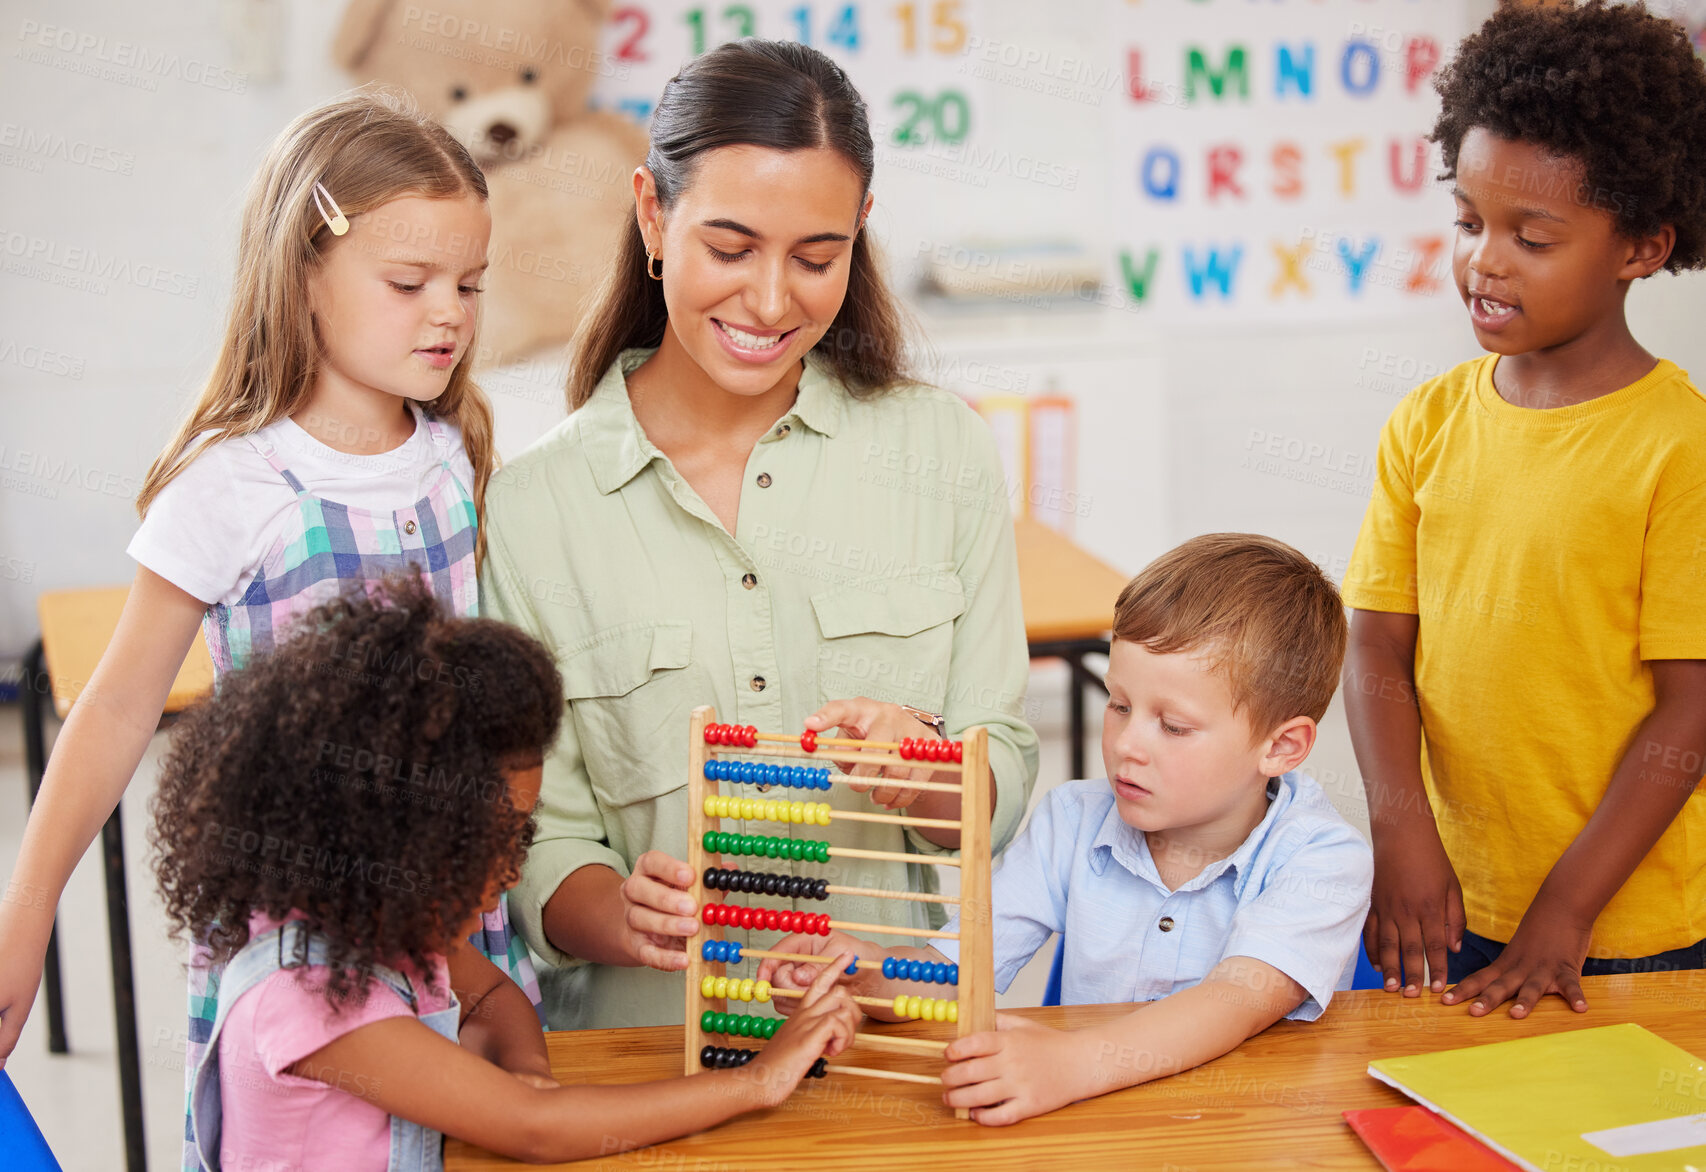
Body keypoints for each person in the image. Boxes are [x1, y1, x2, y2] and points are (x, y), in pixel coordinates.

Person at [0, 89, 538, 1168]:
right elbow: (112, 707)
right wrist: (24, 915)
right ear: (302, 271)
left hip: (448, 915)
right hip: (306, 931)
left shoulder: (449, 451)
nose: (450, 315)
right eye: (408, 283)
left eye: (469, 285)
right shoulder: (232, 484)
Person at [480, 39, 1039, 1029]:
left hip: (893, 1053)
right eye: (729, 249)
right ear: (653, 216)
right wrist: (619, 912)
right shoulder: (533, 511)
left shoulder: (942, 449)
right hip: (649, 1068)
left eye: (815, 257)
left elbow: (999, 763)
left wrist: (927, 778)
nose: (771, 301)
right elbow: (542, 844)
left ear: (859, 232)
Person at [153, 580, 860, 1169]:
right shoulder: (309, 999)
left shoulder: (376, 923)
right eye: (485, 842)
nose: (511, 869)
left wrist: (528, 1071)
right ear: (393, 836)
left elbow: (491, 993)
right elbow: (535, 1128)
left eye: (520, 834)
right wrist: (757, 1082)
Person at [1343, 0, 1706, 1016]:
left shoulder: (1678, 445)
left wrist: (1564, 912)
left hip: (1623, 931)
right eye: (1466, 221)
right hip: (1442, 902)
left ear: (1638, 246)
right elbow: (1373, 646)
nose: (1483, 260)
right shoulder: (1425, 422)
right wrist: (1397, 828)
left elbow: (1689, 703)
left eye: (1529, 236)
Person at [758, 535, 1373, 1124]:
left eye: (1174, 726)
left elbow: (1232, 1004)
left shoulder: (1323, 861)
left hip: (1247, 1130)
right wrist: (869, 976)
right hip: (1092, 1128)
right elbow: (956, 975)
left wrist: (1071, 1063)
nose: (1127, 745)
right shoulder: (1072, 821)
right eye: (1119, 704)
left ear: (1282, 746)